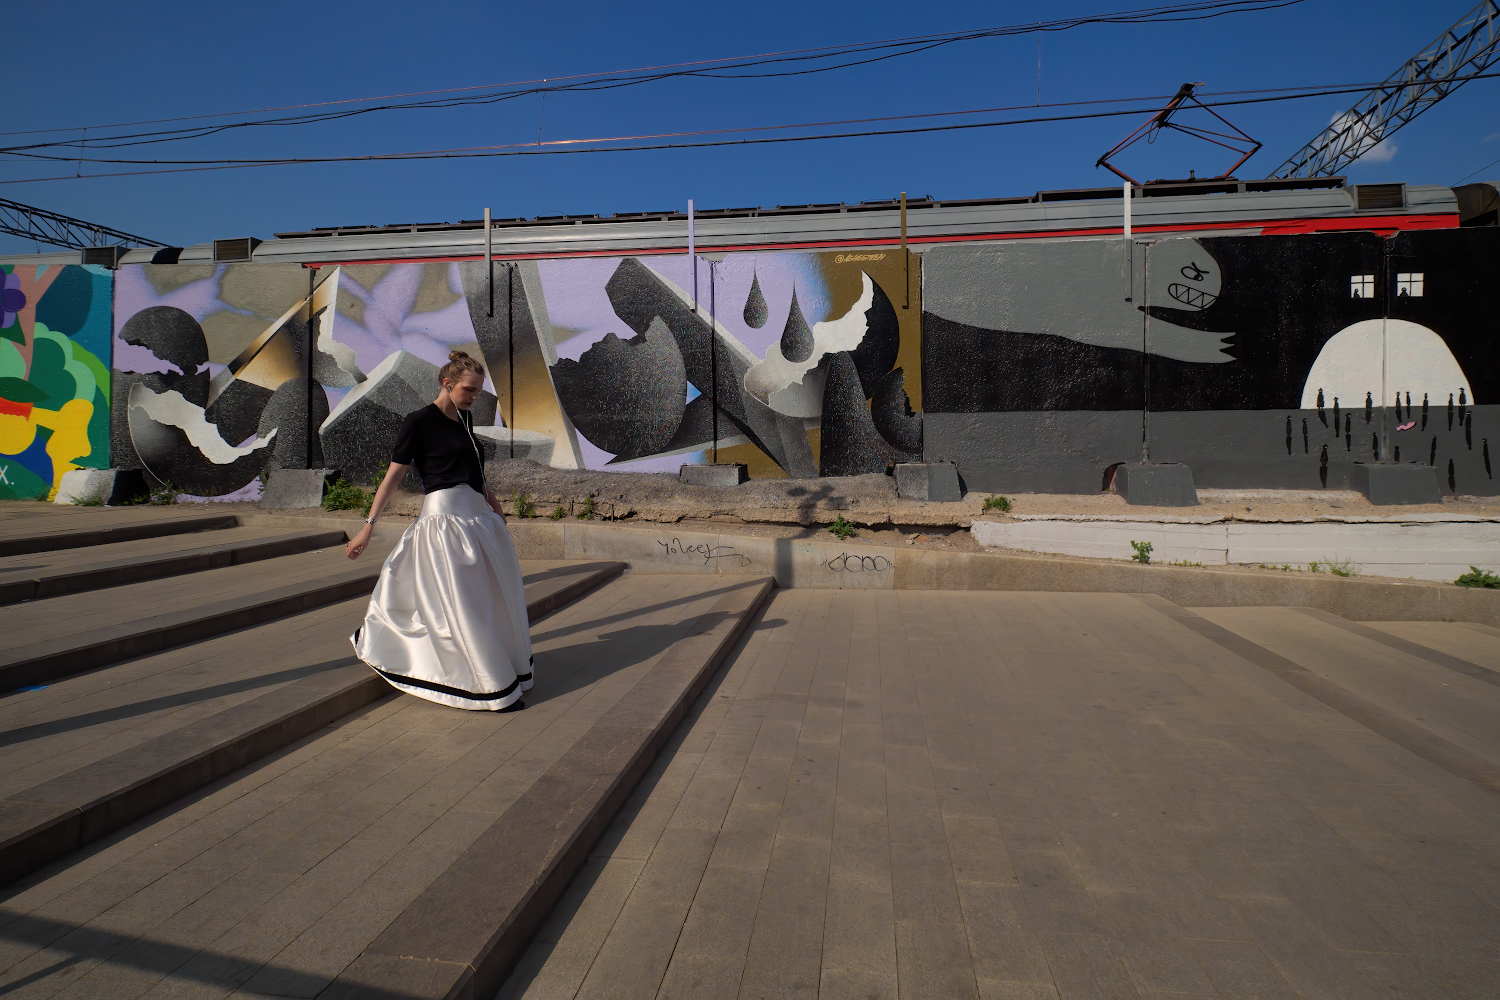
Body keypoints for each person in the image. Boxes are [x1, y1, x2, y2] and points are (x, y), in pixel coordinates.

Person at [345, 351, 533, 712]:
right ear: (447, 383)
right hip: (443, 524)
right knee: (461, 603)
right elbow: (393, 478)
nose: (474, 397)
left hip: (478, 521)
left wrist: (495, 508)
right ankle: (487, 685)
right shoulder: (418, 422)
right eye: (469, 390)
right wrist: (367, 528)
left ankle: (495, 672)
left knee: (485, 601)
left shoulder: (465, 420)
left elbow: (476, 472)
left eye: (478, 391)